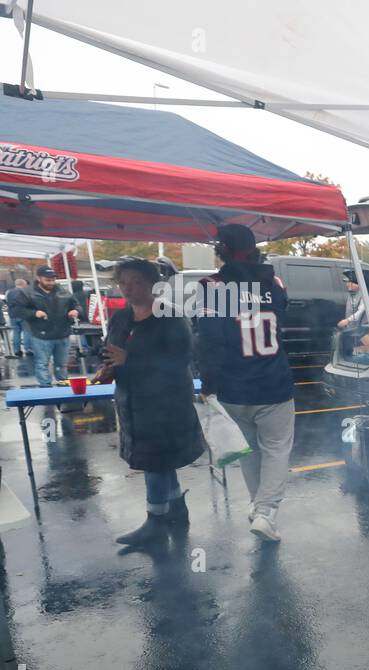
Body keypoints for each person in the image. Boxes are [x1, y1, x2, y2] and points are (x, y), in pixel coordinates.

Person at [195, 223, 295, 543]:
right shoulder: (274, 281)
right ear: (252, 247)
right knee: (276, 449)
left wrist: (207, 384)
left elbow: (208, 341)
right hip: (273, 380)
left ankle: (259, 508)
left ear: (220, 249)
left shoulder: (211, 285)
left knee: (249, 451)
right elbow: (281, 317)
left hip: (234, 384)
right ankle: (265, 512)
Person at [103, 259, 206, 548]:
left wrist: (130, 360)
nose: (128, 288)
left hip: (166, 404)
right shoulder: (121, 319)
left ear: (152, 284)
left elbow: (179, 362)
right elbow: (111, 350)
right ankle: (176, 508)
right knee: (159, 461)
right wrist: (108, 367)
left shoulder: (171, 319)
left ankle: (155, 523)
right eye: (122, 282)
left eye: (135, 281)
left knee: (155, 461)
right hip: (132, 402)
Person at [10, 266, 79, 386]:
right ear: (38, 278)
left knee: (62, 364)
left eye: (53, 280)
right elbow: (15, 310)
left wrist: (75, 311)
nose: (51, 282)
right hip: (40, 335)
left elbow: (76, 305)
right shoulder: (27, 293)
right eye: (47, 280)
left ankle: (63, 385)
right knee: (42, 363)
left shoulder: (63, 291)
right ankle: (45, 387)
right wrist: (34, 313)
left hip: (62, 333)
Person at [4, 277, 29, 358]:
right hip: (23, 315)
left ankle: (16, 351)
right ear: (23, 284)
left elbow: (7, 302)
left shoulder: (8, 292)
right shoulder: (25, 292)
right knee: (27, 332)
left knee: (16, 333)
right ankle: (28, 349)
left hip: (12, 315)